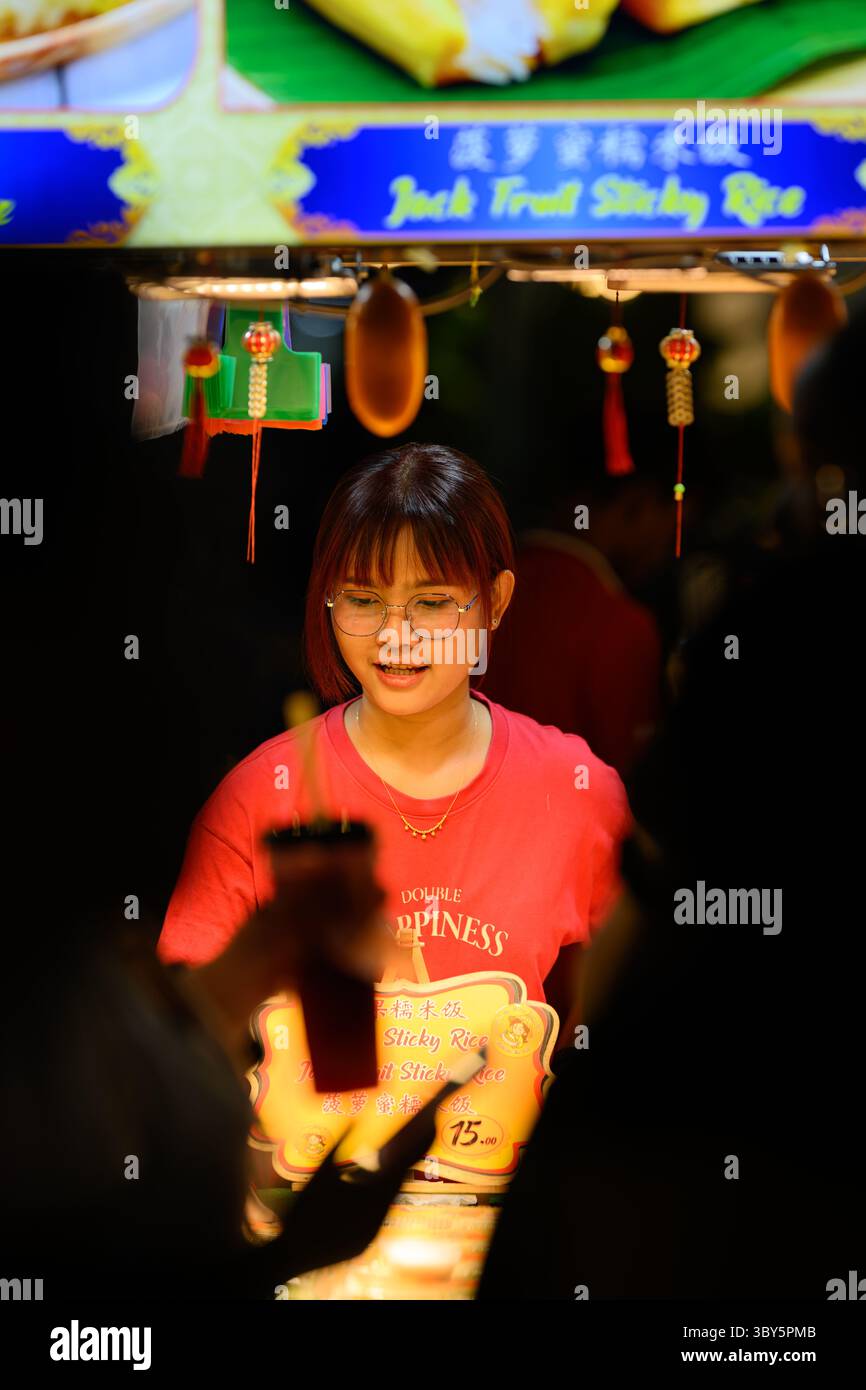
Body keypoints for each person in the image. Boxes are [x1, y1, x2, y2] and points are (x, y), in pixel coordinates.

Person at [157, 443, 632, 1054]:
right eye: (362, 599)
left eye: (432, 602)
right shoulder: (254, 799)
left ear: (497, 601)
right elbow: (179, 1040)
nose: (394, 635)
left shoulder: (577, 790)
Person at [485, 473, 666, 778]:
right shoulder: (620, 624)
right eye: (670, 522)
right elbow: (625, 777)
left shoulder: (469, 594)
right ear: (637, 505)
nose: (666, 545)